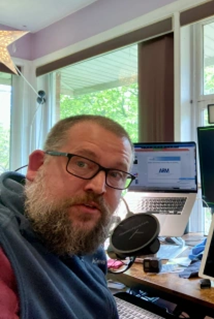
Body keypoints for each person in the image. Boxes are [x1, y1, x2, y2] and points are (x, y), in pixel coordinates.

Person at [0, 115, 135, 318]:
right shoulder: (5, 244)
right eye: (81, 164)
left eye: (115, 174)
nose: (99, 187)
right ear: (37, 166)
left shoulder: (72, 229)